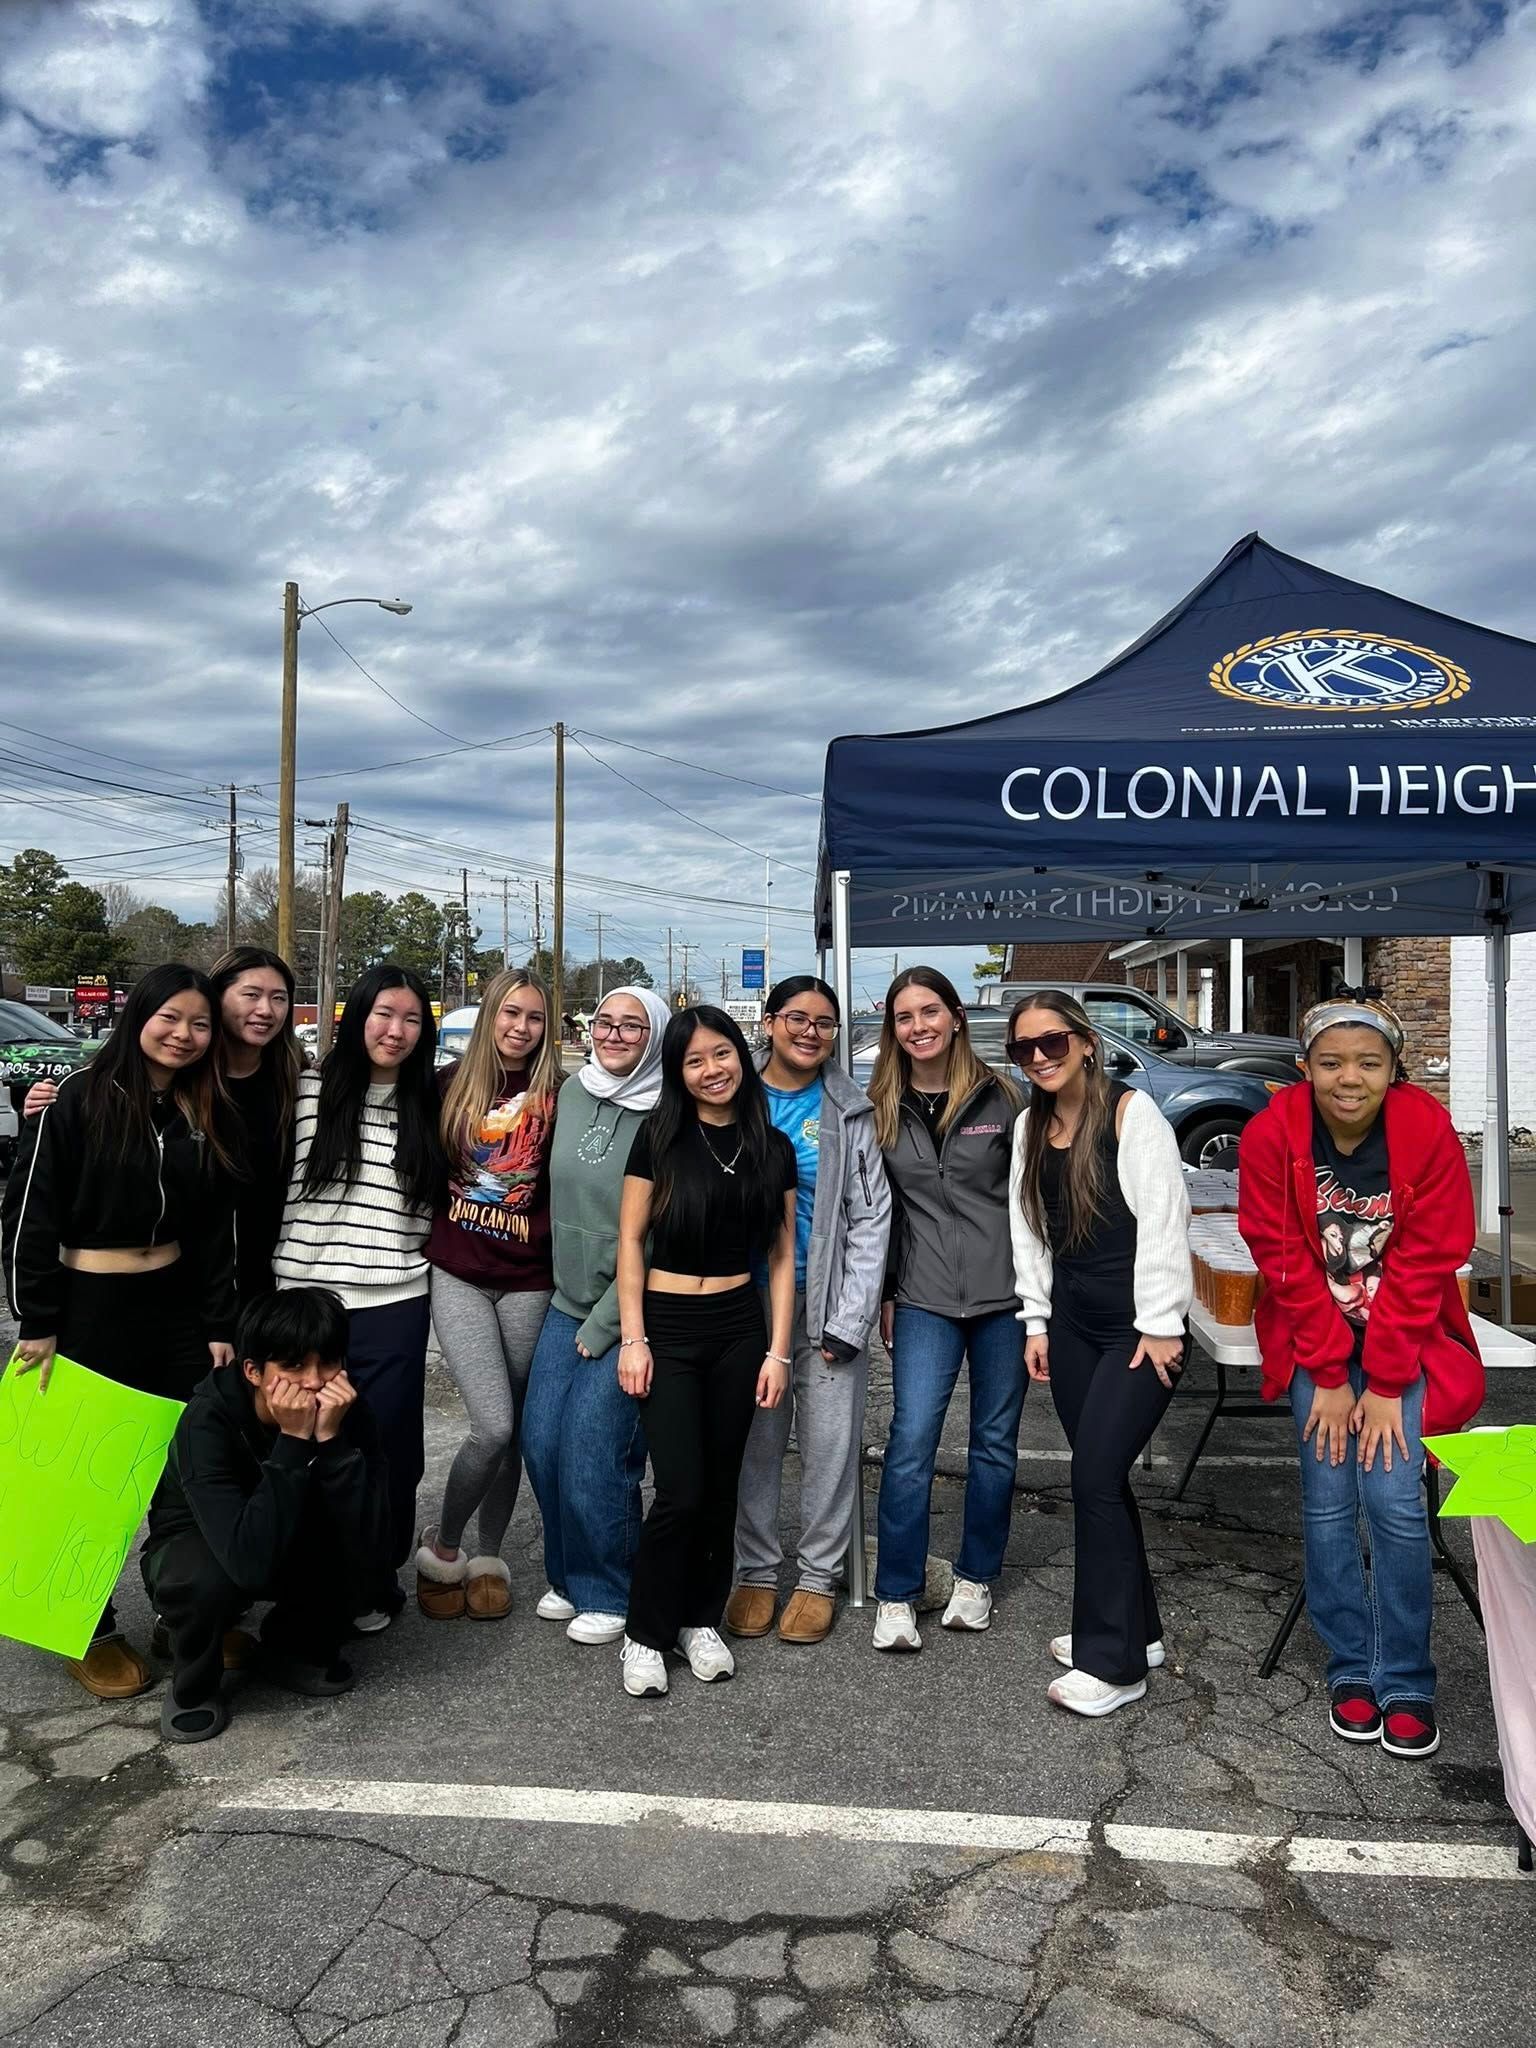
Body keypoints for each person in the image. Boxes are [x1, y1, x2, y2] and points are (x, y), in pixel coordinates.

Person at [1239, 990, 1484, 1760]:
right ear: (1306, 1067)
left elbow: (1428, 1256)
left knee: (1397, 1503)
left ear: (1394, 1070)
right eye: (1333, 1062)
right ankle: (1352, 1666)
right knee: (1328, 1497)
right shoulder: (1271, 1134)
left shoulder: (1426, 1129)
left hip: (1400, 1341)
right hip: (1318, 1337)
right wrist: (1329, 1371)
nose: (1351, 1078)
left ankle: (1407, 1677)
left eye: (1369, 1063)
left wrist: (1381, 1382)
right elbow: (1280, 1256)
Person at [1, 965, 237, 1699]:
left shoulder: (201, 1109)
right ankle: (87, 1628)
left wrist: (219, 1321)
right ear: (139, 1014)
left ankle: (182, 1612)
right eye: (172, 1017)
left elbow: (213, 1231)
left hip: (174, 1308)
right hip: (86, 1307)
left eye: (200, 1024)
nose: (184, 1035)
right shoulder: (75, 1100)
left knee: (182, 1472)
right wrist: (35, 1320)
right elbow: (28, 1215)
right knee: (79, 1475)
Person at [1006, 990, 1192, 1718]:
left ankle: (1113, 1663)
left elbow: (1165, 1221)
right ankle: (1135, 1631)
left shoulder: (1130, 1114)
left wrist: (1162, 1323)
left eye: (1053, 1041)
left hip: (1137, 1330)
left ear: (1086, 1041)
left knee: (1093, 1477)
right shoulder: (1029, 1127)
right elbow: (1028, 1233)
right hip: (1074, 1327)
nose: (1042, 1057)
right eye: (1025, 1048)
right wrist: (1035, 1321)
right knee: (1103, 1481)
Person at [616, 1006, 796, 1698]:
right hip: (668, 1324)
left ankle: (700, 1621)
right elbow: (630, 1240)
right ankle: (644, 1634)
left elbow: (780, 1256)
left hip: (738, 1326)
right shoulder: (657, 1137)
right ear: (679, 1073)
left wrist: (778, 1352)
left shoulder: (770, 1147)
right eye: (694, 1061)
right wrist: (634, 1338)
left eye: (721, 1055)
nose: (711, 1070)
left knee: (722, 1489)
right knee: (681, 1491)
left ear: (740, 1057)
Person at [271, 965, 444, 1630]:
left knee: (391, 1454)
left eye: (409, 1019)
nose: (394, 1030)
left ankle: (373, 1580)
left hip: (397, 1303)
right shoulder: (305, 1093)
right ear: (355, 1017)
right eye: (382, 1014)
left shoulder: (430, 1103)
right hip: (306, 1301)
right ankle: (303, 1584)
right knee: (304, 1446)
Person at [141, 1286, 390, 1743]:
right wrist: (294, 1443)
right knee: (202, 1579)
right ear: (253, 1371)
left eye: (327, 1363)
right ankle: (192, 1684)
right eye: (293, 1366)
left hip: (285, 1524)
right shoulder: (207, 1420)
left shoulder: (346, 1409)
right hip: (202, 1540)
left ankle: (293, 1647)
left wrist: (333, 1446)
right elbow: (246, 1562)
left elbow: (374, 1538)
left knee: (348, 1542)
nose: (314, 1381)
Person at [725, 976, 891, 1645]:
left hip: (823, 1306)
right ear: (768, 1023)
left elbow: (871, 1219)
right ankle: (756, 1572)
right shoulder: (733, 1098)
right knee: (755, 1449)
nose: (811, 1032)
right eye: (798, 1018)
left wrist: (851, 1320)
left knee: (828, 1448)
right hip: (746, 1306)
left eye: (825, 1023)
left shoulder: (848, 1109)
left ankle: (819, 1578)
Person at [867, 967, 1023, 1653]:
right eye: (905, 1017)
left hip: (1006, 1300)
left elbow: (1033, 1201)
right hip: (925, 1297)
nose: (919, 1026)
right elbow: (881, 1213)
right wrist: (888, 1292)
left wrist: (1044, 1306)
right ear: (893, 1029)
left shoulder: (1005, 1097)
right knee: (910, 1442)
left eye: (930, 1011)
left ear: (956, 1016)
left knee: (993, 1445)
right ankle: (897, 1593)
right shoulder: (881, 1103)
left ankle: (974, 1579)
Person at [25, 945, 304, 1308]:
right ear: (215, 998)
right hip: (181, 1284)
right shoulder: (180, 1086)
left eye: (279, 998)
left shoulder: (297, 1083)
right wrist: (50, 1106)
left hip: (270, 1274)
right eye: (251, 994)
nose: (265, 1010)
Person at [522, 984, 671, 1647]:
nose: (612, 1035)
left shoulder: (669, 1110)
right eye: (603, 1022)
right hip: (566, 1299)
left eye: (631, 1027)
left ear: (656, 1036)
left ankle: (611, 1589)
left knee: (593, 1446)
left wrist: (607, 1324)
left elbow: (661, 1229)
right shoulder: (571, 1092)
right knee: (541, 1440)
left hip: (631, 1310)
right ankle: (569, 1575)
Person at [414, 970, 561, 1623]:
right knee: (492, 1423)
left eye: (533, 1016)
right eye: (509, 1013)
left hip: (529, 1278)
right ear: (488, 1017)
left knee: (515, 1433)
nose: (520, 1027)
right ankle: (443, 1547)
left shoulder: (560, 1096)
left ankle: (488, 1557)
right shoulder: (446, 1086)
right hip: (461, 1273)